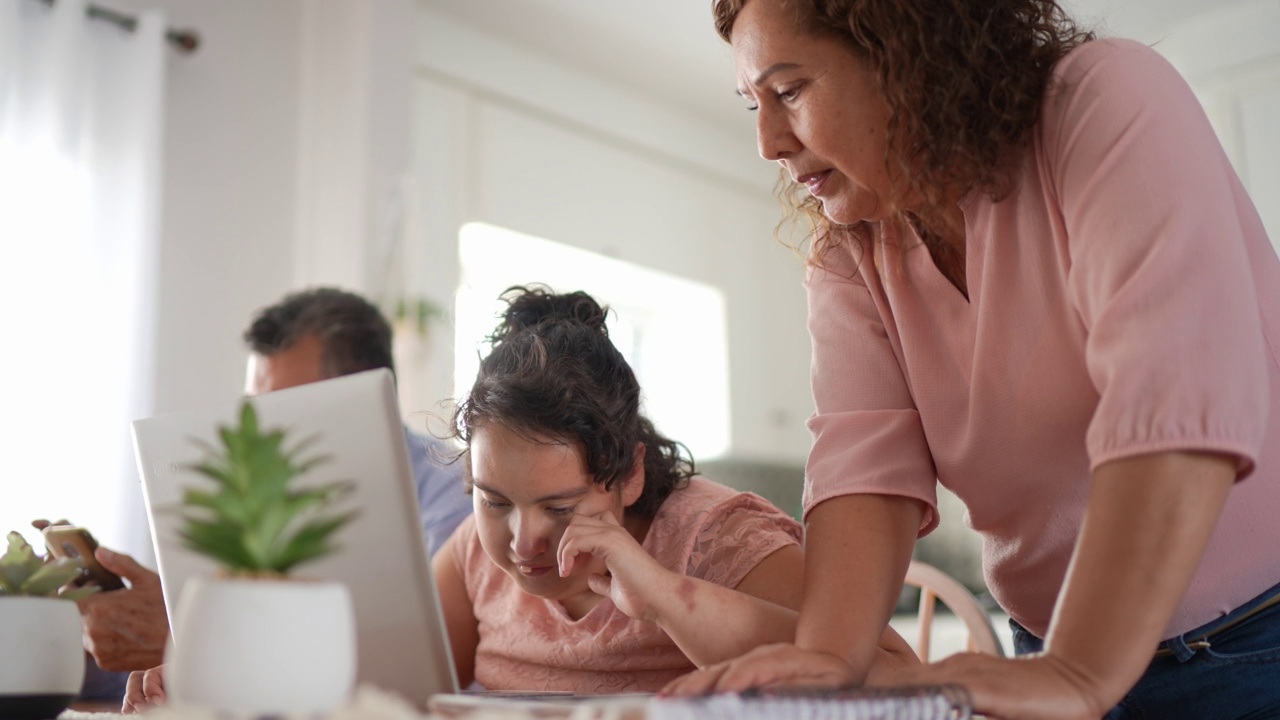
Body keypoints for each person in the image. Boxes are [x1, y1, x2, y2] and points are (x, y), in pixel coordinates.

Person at [665, 1, 1280, 718]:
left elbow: (1174, 382)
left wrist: (1080, 670)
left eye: (790, 91)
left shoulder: (1102, 97)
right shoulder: (850, 256)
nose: (768, 143)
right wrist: (827, 656)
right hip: (1050, 650)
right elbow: (865, 469)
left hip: (1253, 642)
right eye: (753, 107)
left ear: (905, 50)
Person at [433, 286, 914, 693]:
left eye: (559, 507)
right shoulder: (472, 553)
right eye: (494, 501)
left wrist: (665, 597)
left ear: (630, 475)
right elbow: (403, 688)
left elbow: (905, 678)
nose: (523, 542)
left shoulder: (719, 540)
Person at [70, 287, 471, 705]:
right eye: (251, 411)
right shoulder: (261, 502)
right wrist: (88, 655)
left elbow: (423, 679)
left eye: (284, 411)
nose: (262, 434)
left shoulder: (457, 493)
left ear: (368, 394)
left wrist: (191, 642)